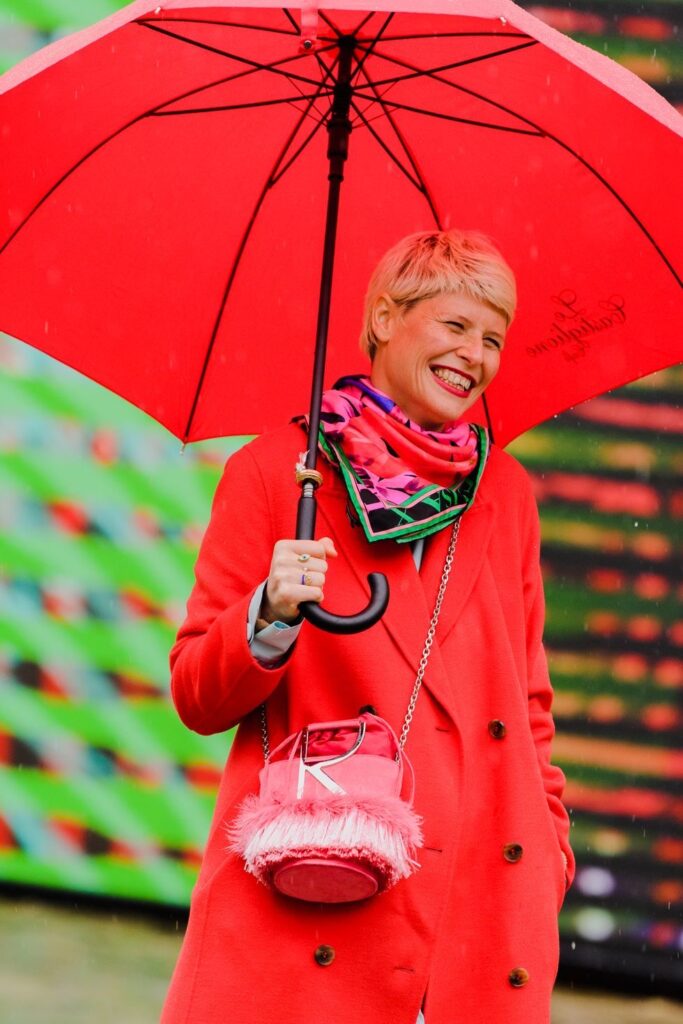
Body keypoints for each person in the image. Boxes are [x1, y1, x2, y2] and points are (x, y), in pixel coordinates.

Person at [161, 230, 574, 1024]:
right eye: (454, 326)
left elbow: (527, 704)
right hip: (321, 892)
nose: (475, 355)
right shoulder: (277, 473)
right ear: (384, 316)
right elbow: (197, 698)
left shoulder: (504, 490)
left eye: (493, 337)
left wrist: (545, 848)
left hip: (477, 902)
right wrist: (269, 613)